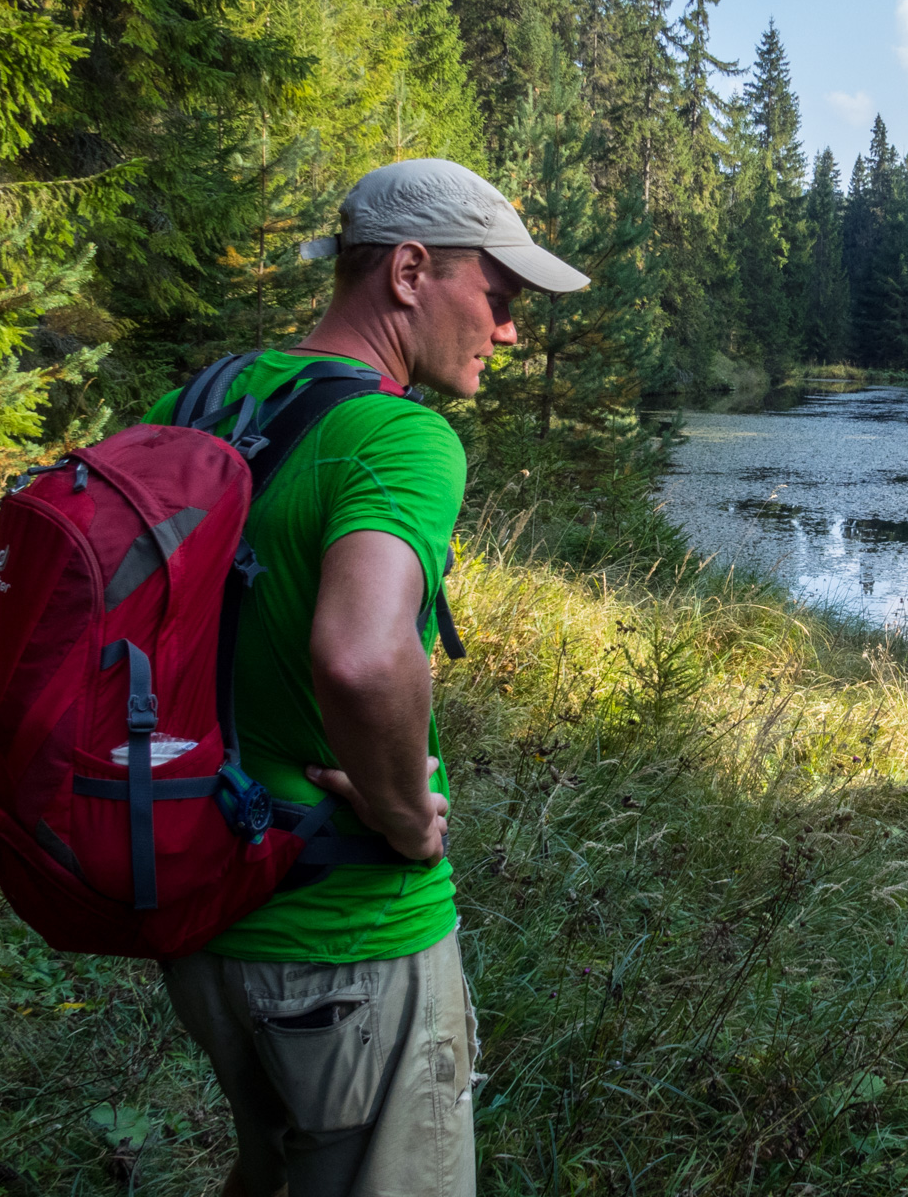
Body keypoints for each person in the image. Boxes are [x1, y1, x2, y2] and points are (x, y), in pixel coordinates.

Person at [144, 159, 588, 1197]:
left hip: (206, 919)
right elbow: (361, 653)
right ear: (408, 270)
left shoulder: (206, 398)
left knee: (277, 1165)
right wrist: (401, 816)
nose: (511, 330)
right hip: (344, 934)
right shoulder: (399, 434)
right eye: (500, 295)